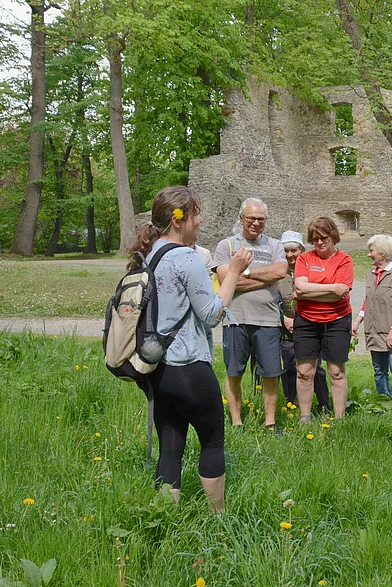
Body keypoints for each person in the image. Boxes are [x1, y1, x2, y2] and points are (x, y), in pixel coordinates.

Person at [133, 186, 252, 511]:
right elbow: (212, 314)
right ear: (177, 219)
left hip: (158, 369)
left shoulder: (149, 255)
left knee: (170, 448)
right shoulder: (186, 258)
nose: (199, 221)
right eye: (195, 214)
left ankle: (164, 520)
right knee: (212, 441)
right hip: (189, 367)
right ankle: (218, 519)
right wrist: (236, 273)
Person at [212, 198, 287, 433]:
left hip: (268, 320)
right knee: (234, 371)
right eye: (251, 218)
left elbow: (281, 271)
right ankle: (236, 421)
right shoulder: (228, 246)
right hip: (235, 319)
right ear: (242, 218)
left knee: (271, 373)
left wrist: (243, 273)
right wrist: (265, 278)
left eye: (261, 219)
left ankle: (270, 422)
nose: (256, 223)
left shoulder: (276, 245)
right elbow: (227, 281)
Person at [294, 217, 354, 421]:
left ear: (333, 237)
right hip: (306, 320)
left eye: (324, 238)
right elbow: (300, 287)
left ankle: (339, 419)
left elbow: (341, 294)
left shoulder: (344, 260)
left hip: (337, 320)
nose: (319, 243)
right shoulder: (304, 259)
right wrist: (331, 288)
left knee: (336, 372)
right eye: (315, 239)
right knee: (304, 371)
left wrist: (308, 292)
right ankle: (305, 417)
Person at [351, 234, 392, 398]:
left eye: (372, 250)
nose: (369, 254)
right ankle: (385, 402)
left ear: (383, 252)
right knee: (379, 371)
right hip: (374, 330)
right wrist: (357, 322)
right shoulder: (371, 274)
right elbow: (368, 300)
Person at [276, 230, 326, 407]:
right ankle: (291, 404)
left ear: (301, 251)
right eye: (286, 251)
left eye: (293, 251)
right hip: (286, 329)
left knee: (315, 368)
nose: (290, 255)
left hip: (311, 326)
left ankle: (323, 405)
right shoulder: (278, 273)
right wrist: (283, 319)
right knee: (289, 367)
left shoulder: (311, 271)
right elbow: (272, 300)